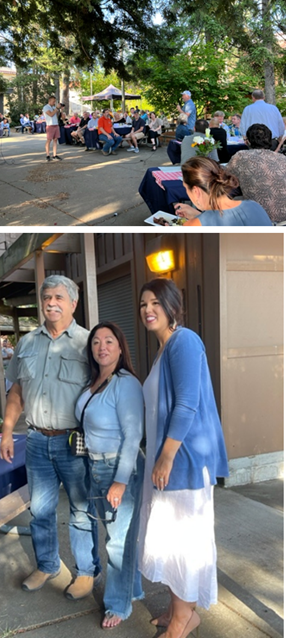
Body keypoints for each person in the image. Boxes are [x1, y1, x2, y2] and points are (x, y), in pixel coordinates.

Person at [138, 279, 229, 638]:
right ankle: (180, 609)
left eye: (155, 303)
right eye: (143, 303)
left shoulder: (184, 341)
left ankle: (184, 619)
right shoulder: (165, 349)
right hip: (170, 461)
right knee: (172, 540)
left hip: (184, 462)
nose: (147, 309)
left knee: (185, 541)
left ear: (172, 305)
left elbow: (187, 402)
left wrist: (166, 456)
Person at [0, 275, 101, 599]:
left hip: (74, 441)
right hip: (37, 441)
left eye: (59, 297)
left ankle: (86, 571)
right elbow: (16, 391)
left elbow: (103, 396)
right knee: (40, 509)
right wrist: (6, 432)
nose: (51, 303)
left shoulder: (90, 343)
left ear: (73, 303)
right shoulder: (27, 343)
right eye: (46, 297)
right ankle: (47, 564)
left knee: (80, 509)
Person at [76, 323, 144, 629]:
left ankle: (118, 604)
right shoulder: (95, 381)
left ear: (120, 347)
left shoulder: (125, 383)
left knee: (117, 542)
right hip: (95, 466)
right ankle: (134, 589)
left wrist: (120, 480)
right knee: (120, 537)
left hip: (118, 468)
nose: (101, 347)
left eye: (109, 341)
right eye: (96, 342)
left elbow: (133, 436)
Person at [174, 156, 272, 226]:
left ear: (196, 191)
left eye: (186, 188)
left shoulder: (193, 226)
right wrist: (198, 216)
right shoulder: (254, 206)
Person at [225, 123, 286, 224]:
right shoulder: (282, 158)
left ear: (247, 141)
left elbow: (225, 177)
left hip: (260, 220)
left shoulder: (241, 156)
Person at [43, 96, 62, 162]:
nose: (54, 103)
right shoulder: (46, 107)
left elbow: (56, 115)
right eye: (53, 101)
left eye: (55, 101)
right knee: (49, 140)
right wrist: (56, 108)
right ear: (50, 101)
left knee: (55, 139)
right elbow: (51, 114)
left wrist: (59, 109)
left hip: (55, 124)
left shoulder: (54, 107)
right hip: (50, 125)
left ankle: (54, 154)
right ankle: (48, 155)